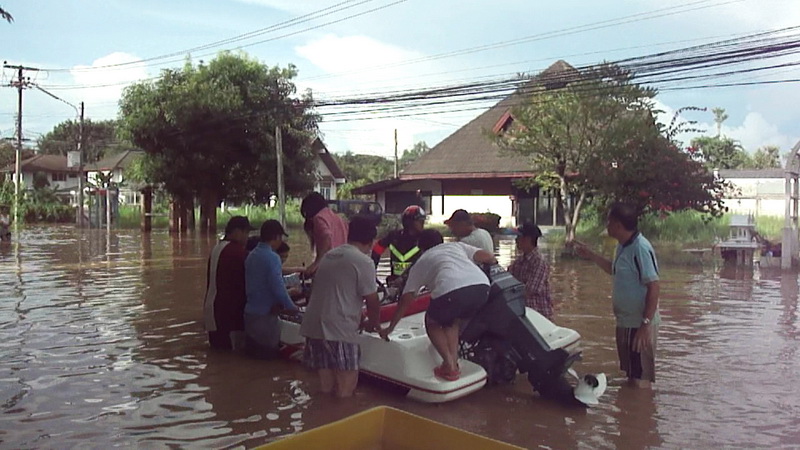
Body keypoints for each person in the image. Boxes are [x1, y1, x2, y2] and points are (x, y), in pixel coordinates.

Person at [380, 229, 497, 381]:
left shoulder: (422, 261)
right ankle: (454, 364)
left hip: (451, 290)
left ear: (420, 246)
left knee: (432, 322)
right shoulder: (457, 246)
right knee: (452, 322)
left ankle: (448, 364)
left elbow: (405, 300)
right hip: (482, 288)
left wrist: (390, 328)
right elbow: (488, 257)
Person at [572, 202, 661, 388]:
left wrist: (645, 325)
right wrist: (590, 255)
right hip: (625, 322)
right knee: (631, 375)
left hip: (639, 324)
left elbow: (654, 286)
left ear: (618, 225)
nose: (607, 226)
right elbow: (614, 269)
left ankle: (642, 414)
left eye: (609, 222)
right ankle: (630, 413)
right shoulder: (623, 246)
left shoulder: (640, 248)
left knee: (641, 381)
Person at [300, 216, 382, 397]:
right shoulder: (363, 261)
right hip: (340, 330)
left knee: (325, 389)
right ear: (371, 242)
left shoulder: (329, 256)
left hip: (314, 327)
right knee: (345, 391)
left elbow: (333, 292)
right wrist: (372, 322)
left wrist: (359, 315)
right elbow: (373, 301)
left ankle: (321, 419)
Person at [244, 220, 299, 359]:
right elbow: (278, 287)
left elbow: (263, 282)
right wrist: (291, 307)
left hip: (250, 314)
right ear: (276, 237)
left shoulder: (252, 255)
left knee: (253, 360)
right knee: (268, 360)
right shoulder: (272, 257)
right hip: (265, 317)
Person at [203, 216, 253, 350]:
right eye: (246, 233)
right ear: (237, 231)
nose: (247, 237)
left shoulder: (217, 248)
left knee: (218, 355)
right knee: (231, 356)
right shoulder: (236, 252)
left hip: (211, 311)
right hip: (227, 315)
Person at [508, 222, 554, 320]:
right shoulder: (518, 262)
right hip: (523, 312)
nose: (516, 240)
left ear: (527, 239)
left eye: (518, 237)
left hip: (538, 315)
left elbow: (530, 290)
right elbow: (508, 279)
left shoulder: (539, 263)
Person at [371, 205, 426, 280]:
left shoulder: (425, 238)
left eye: (423, 221)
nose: (422, 223)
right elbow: (377, 250)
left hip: (417, 281)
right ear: (409, 222)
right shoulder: (394, 236)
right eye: (419, 221)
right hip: (395, 281)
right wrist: (373, 272)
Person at [301, 192, 348, 277]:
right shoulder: (338, 218)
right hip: (343, 264)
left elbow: (326, 236)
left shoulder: (318, 218)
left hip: (329, 266)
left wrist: (317, 263)